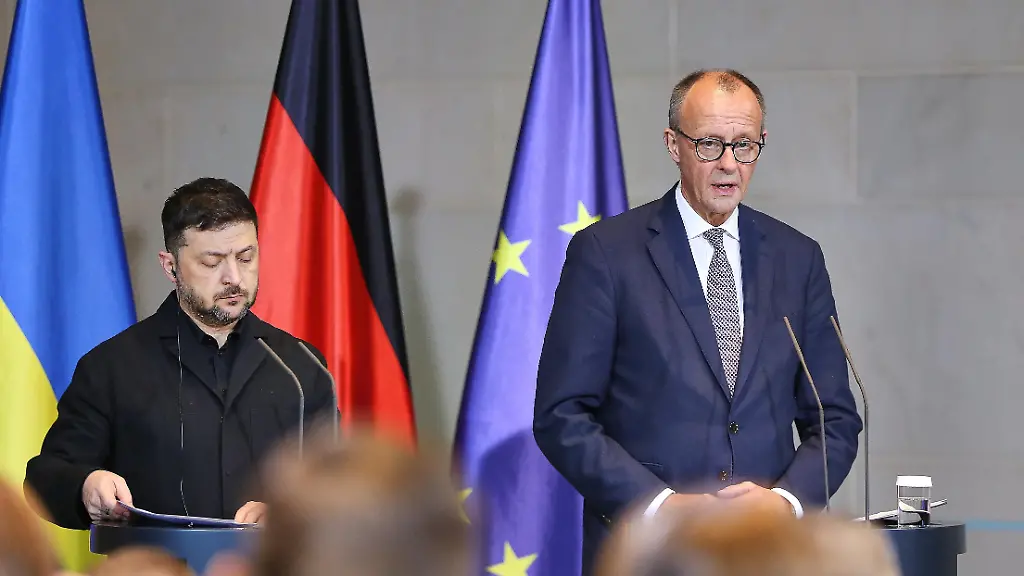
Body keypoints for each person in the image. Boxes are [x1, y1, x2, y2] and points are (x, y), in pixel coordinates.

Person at [533, 69, 863, 574]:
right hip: (649, 553)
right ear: (674, 144)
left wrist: (786, 503)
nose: (729, 164)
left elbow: (833, 418)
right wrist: (660, 506)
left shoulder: (798, 259)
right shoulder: (606, 253)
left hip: (766, 554)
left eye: (744, 145)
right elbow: (562, 415)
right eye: (709, 144)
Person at [24, 177, 338, 529]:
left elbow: (340, 484)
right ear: (170, 266)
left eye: (246, 258)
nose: (234, 277)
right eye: (212, 262)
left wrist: (290, 512)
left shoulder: (300, 366)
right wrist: (86, 485)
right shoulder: (111, 367)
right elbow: (47, 477)